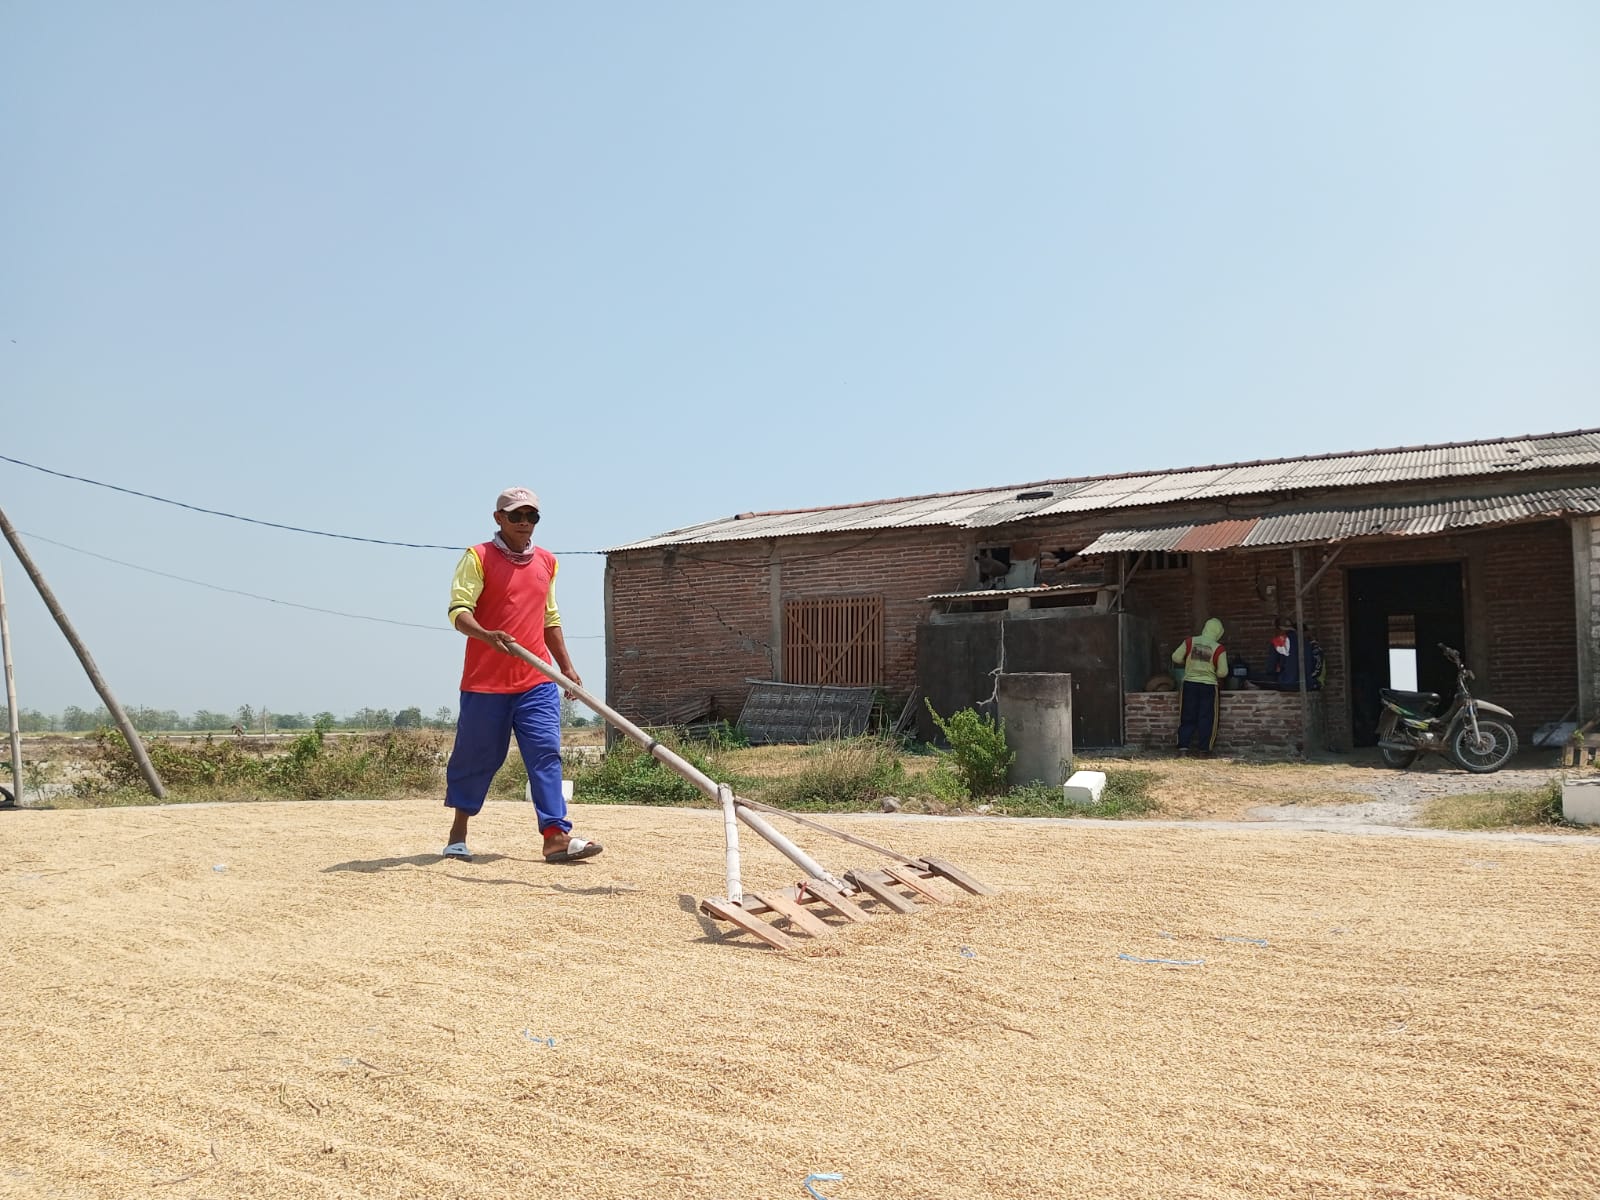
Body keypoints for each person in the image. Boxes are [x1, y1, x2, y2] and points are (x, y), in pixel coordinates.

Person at [440, 486, 603, 865]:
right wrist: (487, 635)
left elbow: (550, 618)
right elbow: (458, 612)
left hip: (536, 680)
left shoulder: (547, 561)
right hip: (485, 683)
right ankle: (458, 833)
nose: (524, 522)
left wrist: (566, 667)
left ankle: (555, 837)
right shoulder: (477, 557)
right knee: (476, 757)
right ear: (499, 518)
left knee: (545, 754)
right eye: (516, 515)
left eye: (532, 516)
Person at [1172, 617, 1228, 755]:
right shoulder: (1218, 648)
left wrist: (1188, 662)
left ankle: (1183, 747)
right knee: (1207, 717)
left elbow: (1175, 657)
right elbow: (1223, 672)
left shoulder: (1190, 642)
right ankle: (1204, 750)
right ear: (1219, 632)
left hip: (1189, 684)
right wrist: (1213, 670)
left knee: (1187, 715)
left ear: (1205, 628)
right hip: (1208, 686)